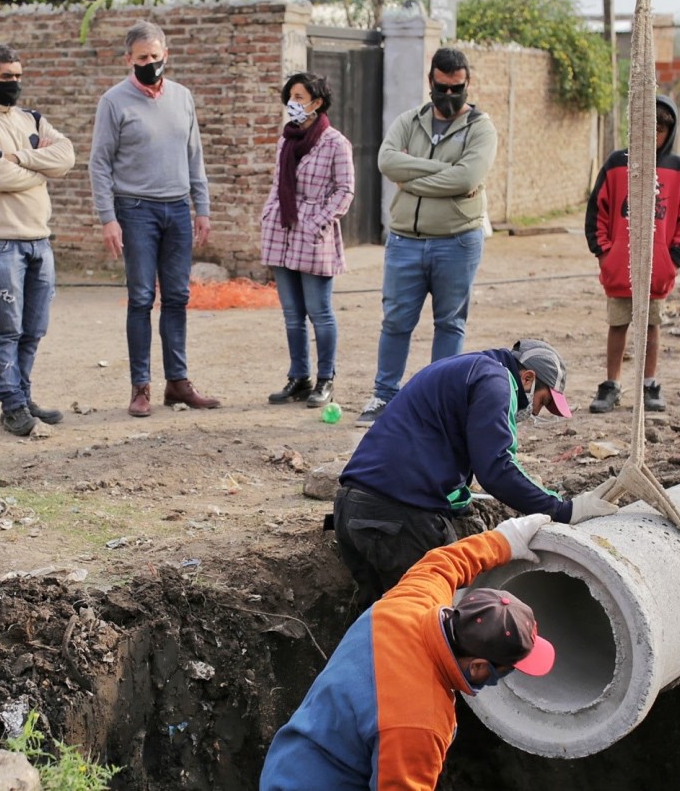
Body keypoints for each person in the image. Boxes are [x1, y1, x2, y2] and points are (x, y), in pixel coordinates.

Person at [260, 517, 557, 790]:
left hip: (291, 760)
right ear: (479, 667)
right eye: (509, 668)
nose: (509, 673)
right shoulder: (420, 721)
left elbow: (445, 562)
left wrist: (506, 539)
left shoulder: (413, 601)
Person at [333, 339, 619, 606]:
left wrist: (457, 497)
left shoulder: (469, 368)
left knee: (376, 625)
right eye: (542, 402)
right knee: (442, 619)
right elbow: (497, 469)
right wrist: (563, 510)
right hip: (398, 518)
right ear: (528, 378)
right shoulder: (497, 382)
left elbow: (431, 445)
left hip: (351, 508)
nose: (536, 412)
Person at [357, 47, 499, 427]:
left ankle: (438, 404)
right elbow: (387, 161)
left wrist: (412, 179)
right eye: (442, 88)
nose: (449, 96)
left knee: (450, 323)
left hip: (457, 240)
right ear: (430, 82)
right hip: (405, 240)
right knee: (396, 321)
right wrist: (444, 172)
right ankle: (383, 396)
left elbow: (468, 178)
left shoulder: (481, 128)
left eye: (457, 88)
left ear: (467, 83)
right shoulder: (409, 120)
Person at [90, 20, 221, 418]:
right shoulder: (114, 101)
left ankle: (178, 383)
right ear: (129, 59)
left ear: (166, 54)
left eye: (156, 55)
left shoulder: (182, 97)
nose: (150, 62)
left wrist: (203, 208)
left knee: (178, 297)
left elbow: (194, 155)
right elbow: (99, 164)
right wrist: (107, 218)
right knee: (142, 297)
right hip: (135, 210)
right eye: (142, 57)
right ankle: (140, 387)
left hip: (178, 208)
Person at [0, 44, 78, 437]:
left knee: (34, 327)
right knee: (7, 327)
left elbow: (67, 157)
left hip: (39, 239)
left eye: (19, 76)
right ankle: (11, 405)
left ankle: (23, 395)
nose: (15, 84)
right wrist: (42, 169)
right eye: (7, 78)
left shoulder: (32, 118)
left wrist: (20, 158)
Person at [584, 96, 680, 415]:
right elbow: (598, 212)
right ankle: (611, 385)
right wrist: (605, 253)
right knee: (618, 325)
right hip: (620, 268)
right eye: (646, 128)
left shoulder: (678, 169)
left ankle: (649, 384)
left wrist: (672, 259)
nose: (652, 136)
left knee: (651, 327)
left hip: (656, 271)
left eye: (659, 129)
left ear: (670, 131)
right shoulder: (616, 164)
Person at [260, 72, 356, 409]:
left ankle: (325, 377)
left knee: (320, 312)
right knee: (291, 315)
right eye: (291, 96)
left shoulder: (335, 142)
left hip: (315, 238)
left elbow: (345, 190)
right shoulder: (285, 141)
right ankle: (299, 377)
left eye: (300, 97)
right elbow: (277, 184)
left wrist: (317, 221)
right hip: (282, 233)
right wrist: (269, 213)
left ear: (317, 102)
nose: (293, 103)